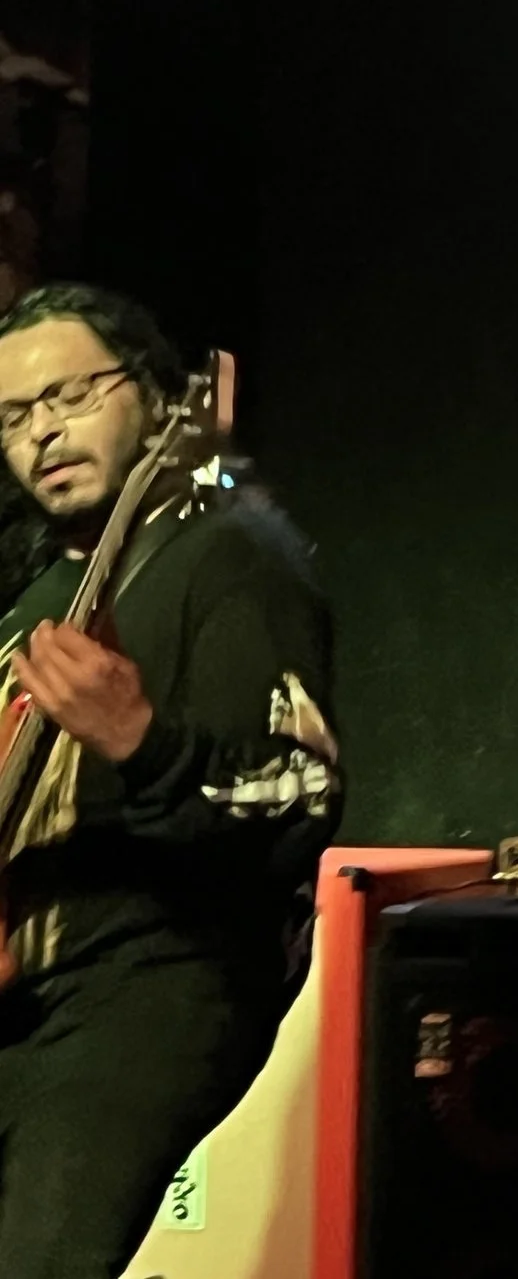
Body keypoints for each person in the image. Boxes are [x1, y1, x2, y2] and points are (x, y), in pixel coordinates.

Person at [0, 283, 339, 1278]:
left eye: (70, 395)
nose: (42, 432)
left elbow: (297, 791)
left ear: (154, 397)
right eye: (13, 416)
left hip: (152, 984)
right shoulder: (34, 600)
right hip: (26, 993)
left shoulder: (230, 555)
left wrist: (140, 740)